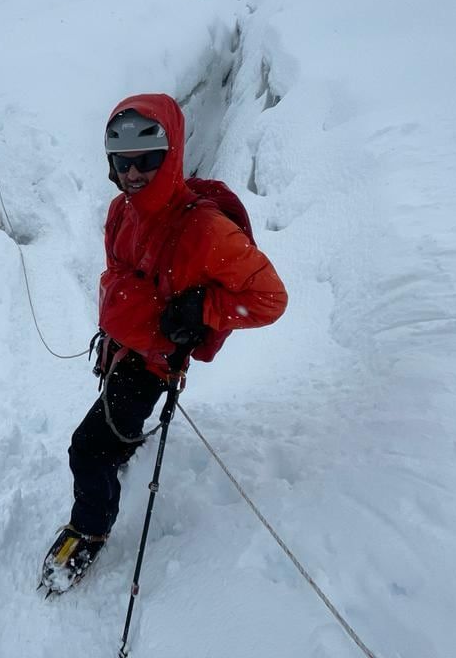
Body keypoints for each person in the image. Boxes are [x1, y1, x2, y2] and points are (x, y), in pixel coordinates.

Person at [40, 93, 288, 592]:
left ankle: (90, 527)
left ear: (170, 155)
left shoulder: (205, 230)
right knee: (112, 424)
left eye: (146, 161)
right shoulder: (121, 210)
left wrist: (204, 310)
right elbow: (118, 269)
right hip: (123, 346)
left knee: (86, 450)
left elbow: (269, 298)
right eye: (121, 162)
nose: (131, 174)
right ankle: (124, 447)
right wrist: (118, 325)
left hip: (154, 362)